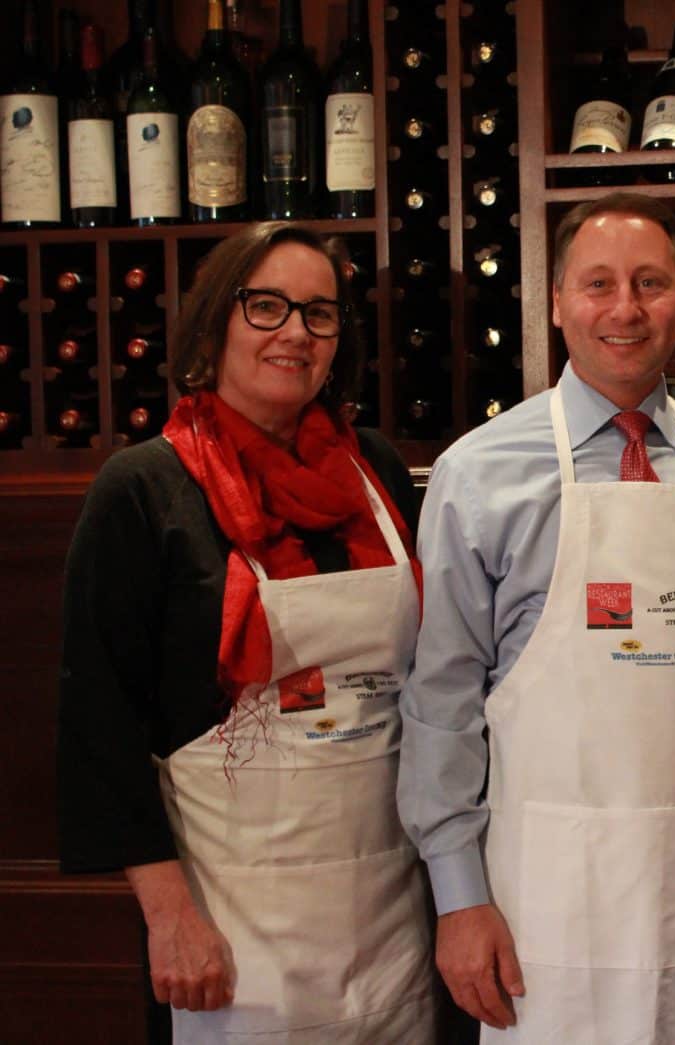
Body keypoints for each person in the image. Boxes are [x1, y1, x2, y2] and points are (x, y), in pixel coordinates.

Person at [399, 193, 675, 1042]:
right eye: (598, 284)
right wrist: (458, 898)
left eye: (650, 283)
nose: (624, 308)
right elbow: (440, 702)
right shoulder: (478, 473)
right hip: (541, 904)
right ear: (558, 300)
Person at [57, 223, 434, 1041]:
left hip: (391, 912)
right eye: (267, 306)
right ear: (213, 324)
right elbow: (99, 724)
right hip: (230, 920)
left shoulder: (376, 470)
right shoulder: (144, 488)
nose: (296, 332)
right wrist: (170, 918)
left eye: (319, 313)